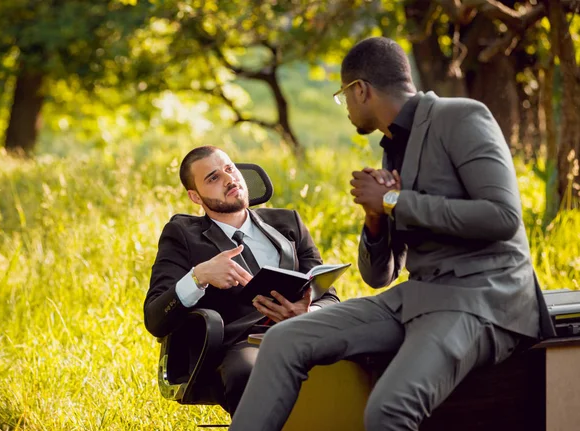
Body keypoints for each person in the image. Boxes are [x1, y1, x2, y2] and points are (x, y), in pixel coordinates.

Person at [229, 37, 555, 430]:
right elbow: (379, 276)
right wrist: (375, 218)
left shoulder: (463, 116)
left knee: (388, 410)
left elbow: (503, 218)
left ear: (360, 90)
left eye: (343, 97)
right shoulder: (394, 148)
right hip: (417, 296)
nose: (346, 108)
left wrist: (395, 201)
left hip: (481, 298)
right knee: (284, 341)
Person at [143, 145, 340, 416]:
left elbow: (328, 295)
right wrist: (199, 276)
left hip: (305, 332)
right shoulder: (183, 235)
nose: (229, 179)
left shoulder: (289, 223)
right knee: (254, 372)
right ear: (195, 197)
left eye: (230, 169)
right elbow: (155, 318)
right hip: (241, 345)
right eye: (213, 178)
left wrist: (308, 313)